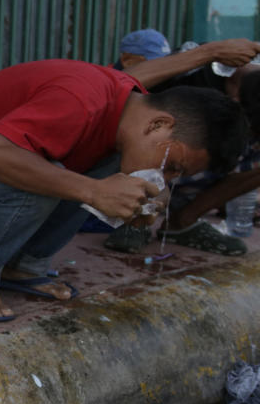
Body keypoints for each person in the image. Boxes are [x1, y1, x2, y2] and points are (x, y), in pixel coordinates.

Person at [0, 58, 248, 322]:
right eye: (172, 166)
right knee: (51, 174)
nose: (165, 177)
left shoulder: (130, 109)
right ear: (159, 124)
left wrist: (139, 199)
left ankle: (21, 265)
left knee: (106, 172)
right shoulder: (81, 98)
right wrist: (96, 193)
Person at [103, 29, 260, 255]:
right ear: (238, 103)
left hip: (190, 172)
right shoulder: (192, 72)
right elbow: (124, 93)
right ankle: (134, 219)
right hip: (142, 155)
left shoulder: (251, 88)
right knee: (158, 144)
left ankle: (182, 222)